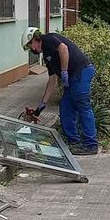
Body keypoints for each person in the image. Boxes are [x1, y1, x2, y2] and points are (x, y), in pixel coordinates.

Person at [24, 27, 98, 155]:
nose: (32, 50)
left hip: (81, 71)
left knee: (82, 105)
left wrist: (64, 71)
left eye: (30, 46)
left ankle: (91, 145)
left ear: (34, 39)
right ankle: (74, 141)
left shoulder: (47, 39)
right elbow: (52, 80)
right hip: (74, 77)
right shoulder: (47, 56)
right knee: (65, 106)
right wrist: (42, 105)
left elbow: (63, 48)